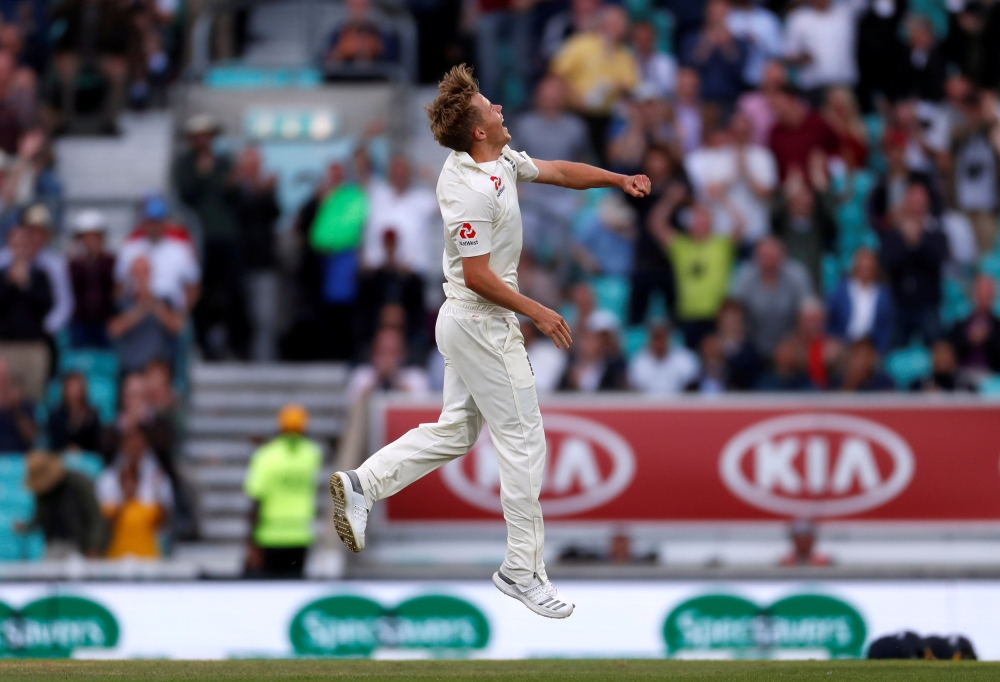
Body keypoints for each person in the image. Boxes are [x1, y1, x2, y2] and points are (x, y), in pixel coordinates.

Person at [330, 64, 651, 619]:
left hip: (468, 320)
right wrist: (539, 312)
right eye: (490, 107)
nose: (501, 109)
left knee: (457, 430)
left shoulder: (495, 158)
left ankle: (365, 483)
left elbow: (555, 170)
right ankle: (522, 570)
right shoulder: (468, 188)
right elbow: (478, 275)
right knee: (525, 442)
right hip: (482, 321)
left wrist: (615, 180)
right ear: (478, 130)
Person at [173, 113, 247, 359]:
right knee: (201, 293)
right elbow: (185, 196)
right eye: (198, 136)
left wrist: (234, 185)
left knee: (234, 292)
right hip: (200, 239)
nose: (203, 140)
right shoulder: (185, 164)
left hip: (227, 236)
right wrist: (202, 174)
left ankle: (237, 345)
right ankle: (203, 344)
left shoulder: (224, 162)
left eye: (207, 135)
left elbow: (236, 200)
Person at [551, 6, 639, 165]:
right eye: (615, 23)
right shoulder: (580, 44)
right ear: (603, 23)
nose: (620, 27)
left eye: (622, 24)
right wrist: (576, 98)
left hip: (607, 116)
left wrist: (615, 85)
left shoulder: (624, 54)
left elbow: (630, 86)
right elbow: (557, 74)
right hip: (576, 112)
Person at [244, 404, 322, 579]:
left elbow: (256, 500)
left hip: (269, 535)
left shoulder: (265, 456)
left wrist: (250, 543)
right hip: (300, 534)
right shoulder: (312, 454)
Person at [650, 202, 735, 350]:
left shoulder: (721, 245)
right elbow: (656, 224)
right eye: (696, 218)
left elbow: (741, 223)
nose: (700, 222)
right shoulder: (681, 246)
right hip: (688, 316)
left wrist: (722, 199)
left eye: (704, 218)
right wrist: (672, 199)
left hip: (716, 316)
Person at [879, 183, 948, 347]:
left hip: (928, 306)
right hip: (900, 305)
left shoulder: (937, 234)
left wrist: (918, 242)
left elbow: (937, 260)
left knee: (937, 348)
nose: (917, 208)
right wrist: (907, 243)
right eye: (913, 203)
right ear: (906, 205)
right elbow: (888, 263)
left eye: (921, 203)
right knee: (892, 349)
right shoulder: (893, 235)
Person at [233, 146, 281, 362]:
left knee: (265, 317)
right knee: (242, 317)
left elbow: (275, 213)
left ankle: (264, 361)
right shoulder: (234, 188)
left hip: (264, 261)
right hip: (238, 262)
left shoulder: (267, 188)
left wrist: (268, 192)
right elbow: (238, 213)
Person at [731, 237, 814, 359]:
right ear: (756, 256)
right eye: (764, 256)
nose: (769, 261)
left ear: (783, 255)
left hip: (791, 342)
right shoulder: (746, 275)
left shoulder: (798, 274)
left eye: (773, 256)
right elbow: (734, 309)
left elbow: (809, 311)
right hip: (752, 342)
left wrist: (794, 342)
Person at [97, 427, 173, 557]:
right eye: (131, 446)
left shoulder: (158, 479)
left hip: (149, 555)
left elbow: (164, 524)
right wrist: (125, 498)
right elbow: (103, 525)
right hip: (115, 554)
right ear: (122, 446)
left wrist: (159, 494)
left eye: (138, 446)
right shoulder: (107, 479)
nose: (134, 451)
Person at [19, 450, 107, 558]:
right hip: (52, 544)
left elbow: (95, 518)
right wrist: (27, 526)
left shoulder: (79, 483)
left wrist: (94, 546)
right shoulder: (42, 493)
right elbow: (40, 516)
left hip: (80, 546)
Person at [108, 257, 186, 374]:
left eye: (144, 272)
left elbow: (177, 327)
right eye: (137, 273)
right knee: (135, 386)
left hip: (158, 369)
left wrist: (154, 304)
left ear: (151, 274)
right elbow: (113, 330)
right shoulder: (122, 302)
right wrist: (142, 308)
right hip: (132, 368)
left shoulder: (164, 300)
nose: (141, 277)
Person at [0, 223, 51, 400]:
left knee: (32, 399)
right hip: (6, 346)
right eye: (16, 245)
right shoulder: (2, 276)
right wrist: (9, 283)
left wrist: (26, 285)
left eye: (23, 245)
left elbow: (45, 307)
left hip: (33, 346)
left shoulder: (40, 276)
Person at [783, 0, 861, 103]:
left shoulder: (846, 12)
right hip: (814, 87)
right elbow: (787, 55)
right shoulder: (798, 18)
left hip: (844, 84)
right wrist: (801, 58)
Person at [826, 248, 893, 356]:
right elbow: (830, 320)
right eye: (862, 266)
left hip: (871, 346)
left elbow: (886, 326)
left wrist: (880, 349)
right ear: (855, 267)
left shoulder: (884, 294)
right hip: (843, 343)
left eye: (868, 267)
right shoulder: (841, 290)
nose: (865, 270)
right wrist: (834, 340)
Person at [680, 0, 747, 107]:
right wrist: (706, 43)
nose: (717, 13)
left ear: (727, 11)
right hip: (700, 101)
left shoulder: (738, 42)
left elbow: (739, 69)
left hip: (730, 100)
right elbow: (688, 69)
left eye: (721, 9)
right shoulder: (692, 39)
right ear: (707, 11)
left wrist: (728, 46)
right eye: (713, 10)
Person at [67, 210, 116, 348]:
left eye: (94, 236)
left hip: (104, 321)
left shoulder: (110, 261)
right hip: (79, 321)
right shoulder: (72, 264)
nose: (90, 241)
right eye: (86, 237)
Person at [559, 310, 630, 392]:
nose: (603, 343)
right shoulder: (570, 363)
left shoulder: (616, 367)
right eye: (591, 338)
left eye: (605, 339)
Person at [627, 321, 700, 395]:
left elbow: (692, 388)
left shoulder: (686, 359)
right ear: (650, 339)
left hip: (680, 404)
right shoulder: (638, 361)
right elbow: (634, 390)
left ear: (669, 337)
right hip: (647, 405)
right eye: (656, 338)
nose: (659, 342)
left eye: (662, 337)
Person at [948, 274, 1000, 374]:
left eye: (987, 292)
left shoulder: (997, 325)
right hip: (962, 375)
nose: (984, 296)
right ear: (974, 293)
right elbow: (951, 352)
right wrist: (969, 340)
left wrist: (988, 337)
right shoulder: (960, 321)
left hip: (991, 377)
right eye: (981, 292)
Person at [47, 371, 101, 453]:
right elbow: (55, 441)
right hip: (61, 455)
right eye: (71, 387)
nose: (74, 391)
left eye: (77, 387)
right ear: (64, 389)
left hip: (87, 457)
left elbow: (95, 443)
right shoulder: (55, 414)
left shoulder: (92, 414)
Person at [0, 357, 34, 451]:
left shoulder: (23, 404)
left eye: (3, 376)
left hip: (19, 457)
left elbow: (30, 436)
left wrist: (16, 408)